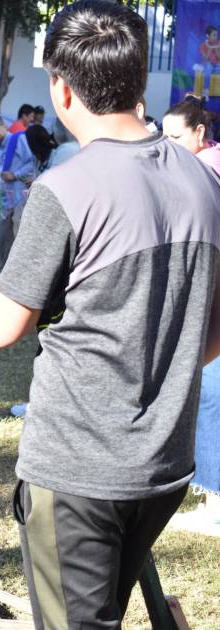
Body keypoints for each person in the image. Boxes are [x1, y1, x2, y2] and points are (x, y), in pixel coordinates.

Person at [0, 3, 220, 627]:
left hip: (79, 468)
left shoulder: (67, 187)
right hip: (164, 465)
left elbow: (1, 328)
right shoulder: (204, 181)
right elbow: (212, 325)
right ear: (140, 80)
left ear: (61, 90)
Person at [159, 94, 220, 537]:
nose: (167, 145)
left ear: (200, 132)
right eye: (162, 136)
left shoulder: (207, 172)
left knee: (212, 395)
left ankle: (215, 502)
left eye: (175, 136)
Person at [0, 112, 36, 266]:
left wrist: (15, 174)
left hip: (22, 196)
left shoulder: (19, 140)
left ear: (4, 126)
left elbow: (33, 163)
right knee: (3, 236)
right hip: (3, 200)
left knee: (21, 236)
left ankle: (23, 271)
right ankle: (5, 272)